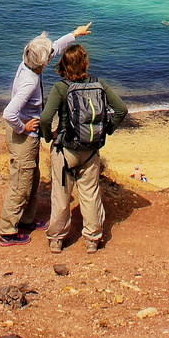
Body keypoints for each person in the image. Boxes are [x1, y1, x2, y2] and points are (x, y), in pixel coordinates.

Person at [0, 22, 92, 246]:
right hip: (22, 138)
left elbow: (55, 48)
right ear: (43, 64)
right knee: (21, 183)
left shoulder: (27, 64)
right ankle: (7, 231)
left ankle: (27, 220)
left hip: (29, 136)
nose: (52, 56)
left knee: (31, 177)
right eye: (49, 56)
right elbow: (9, 113)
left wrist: (74, 34)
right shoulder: (29, 83)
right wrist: (24, 127)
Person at [38, 43, 128, 255]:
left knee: (61, 195)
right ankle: (92, 240)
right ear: (85, 62)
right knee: (90, 195)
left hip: (65, 150)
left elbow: (45, 118)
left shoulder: (61, 88)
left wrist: (48, 137)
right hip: (90, 151)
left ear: (63, 65)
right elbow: (121, 110)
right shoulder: (99, 84)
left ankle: (57, 240)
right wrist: (107, 131)